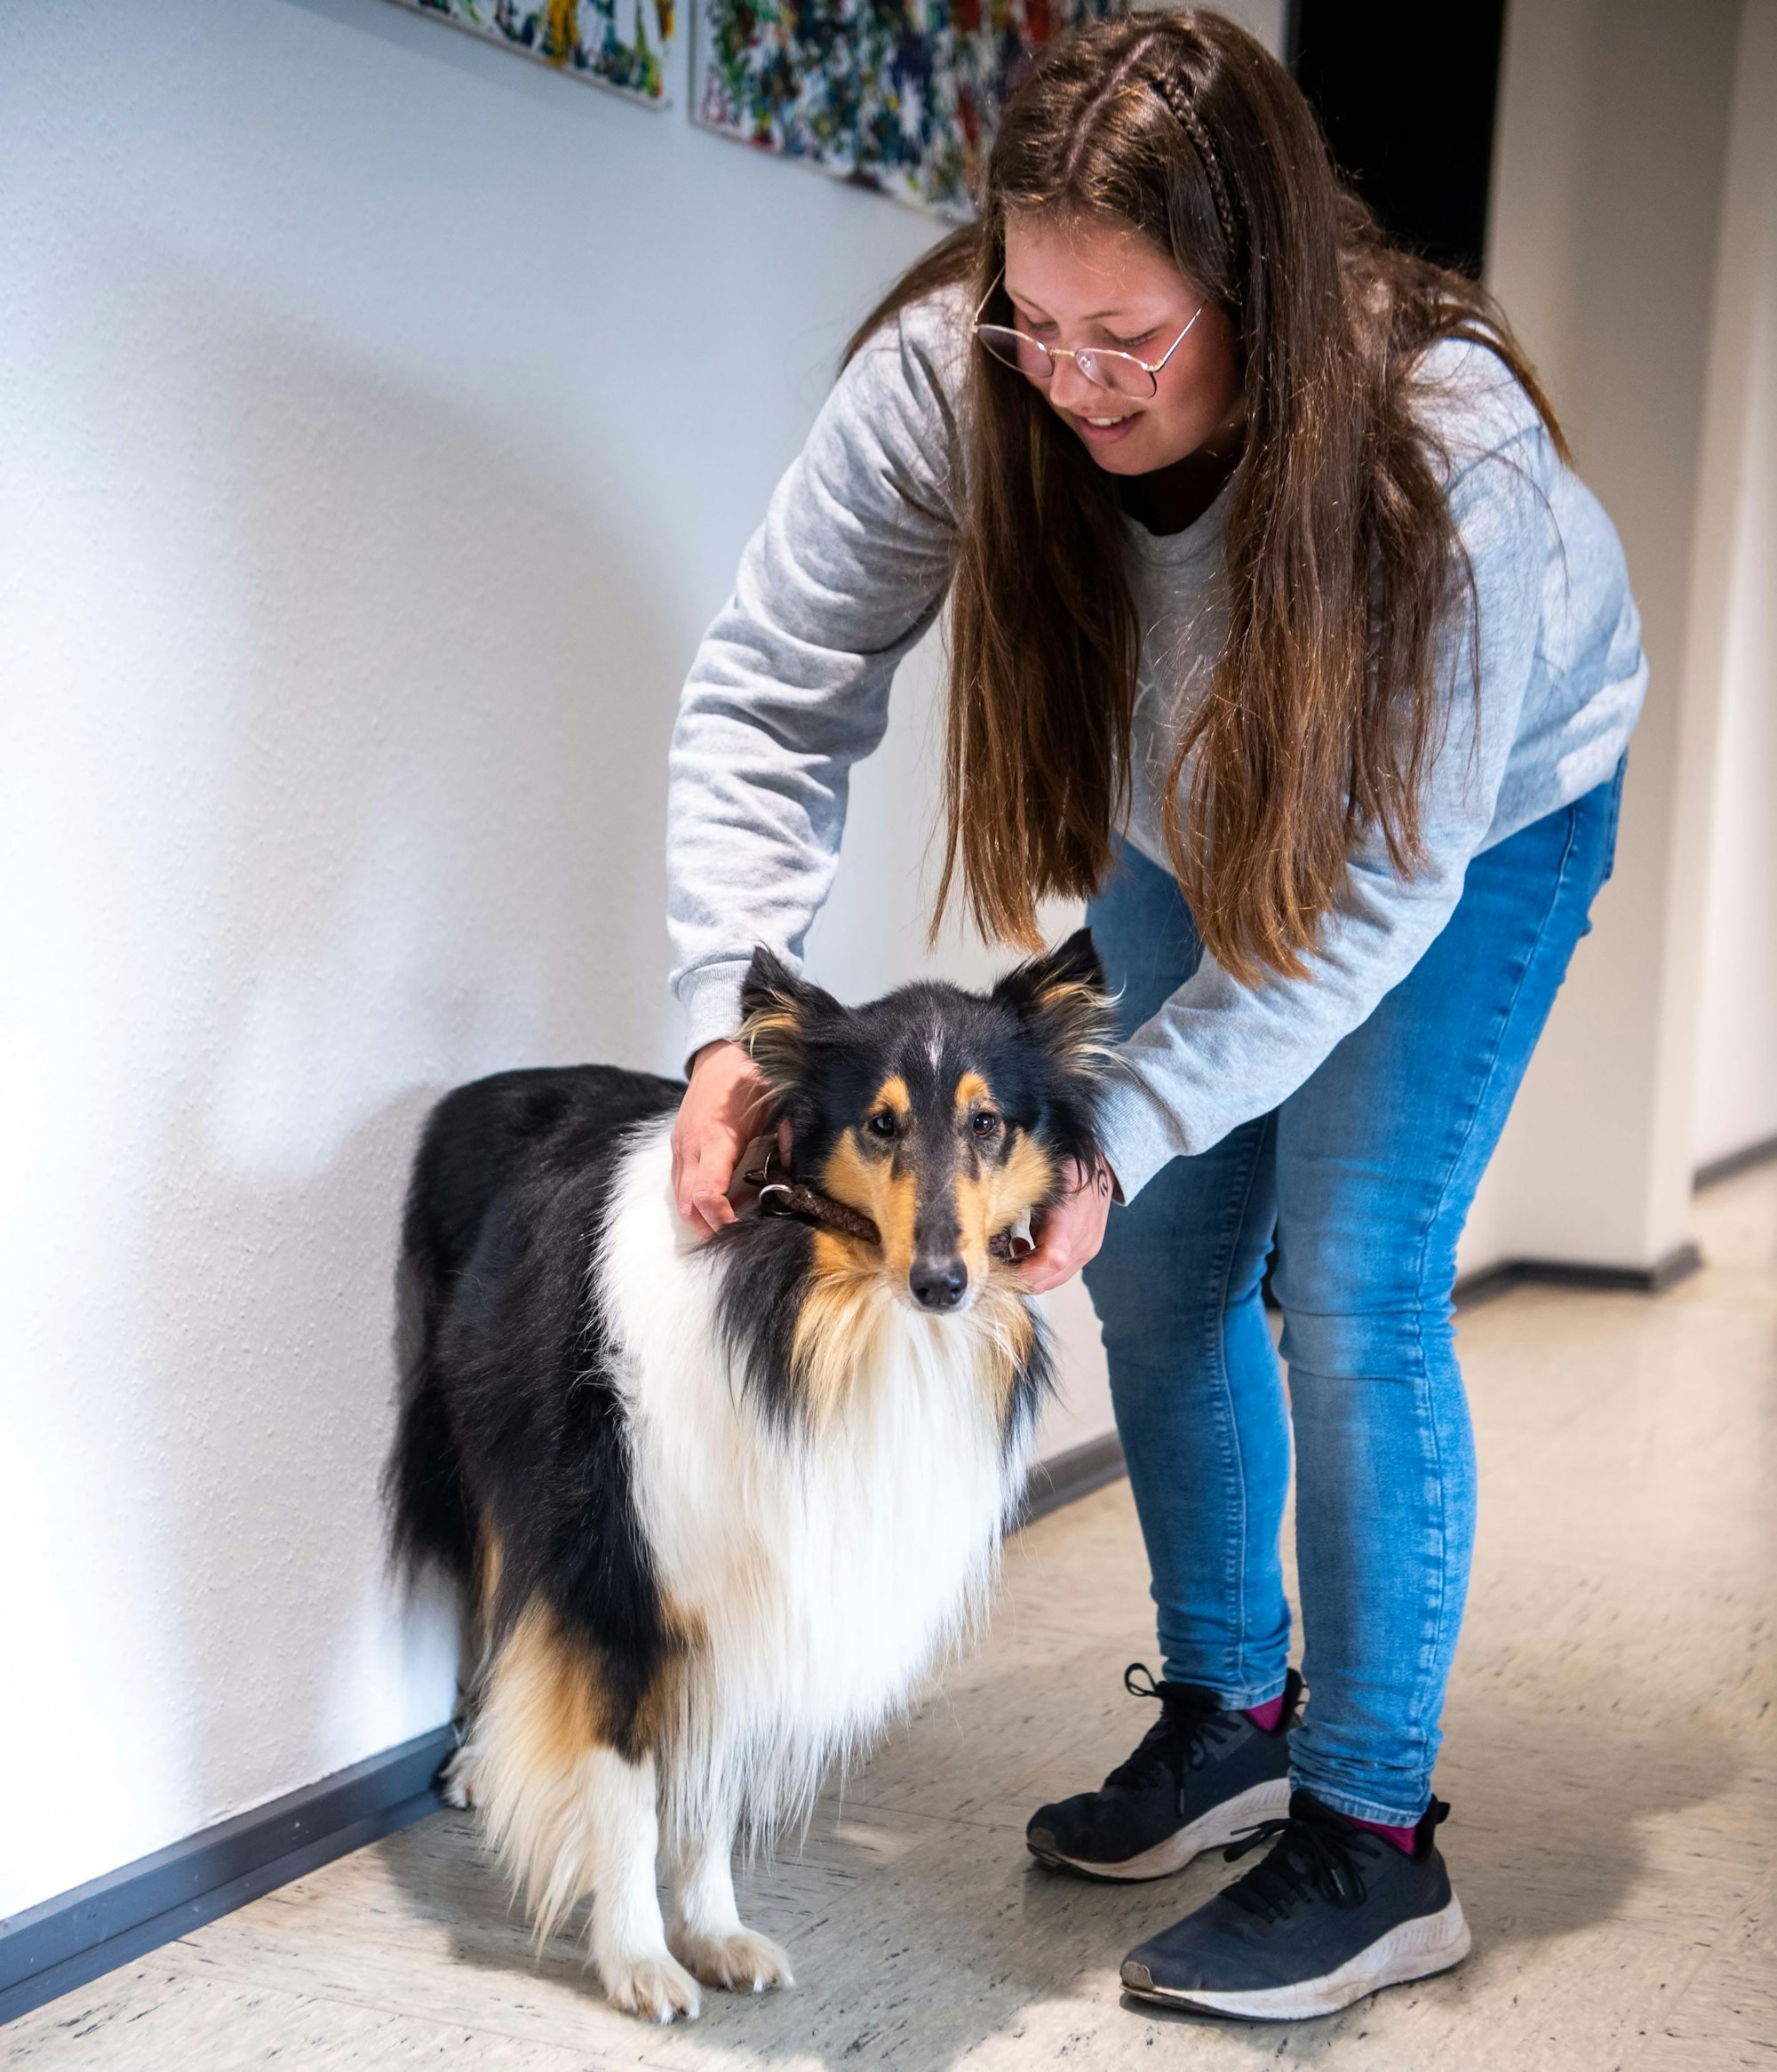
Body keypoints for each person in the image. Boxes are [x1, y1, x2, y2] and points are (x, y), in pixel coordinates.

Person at [661, 6, 1642, 2022]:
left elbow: (1369, 892)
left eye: (1134, 339)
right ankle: (1230, 1707)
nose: (1077, 382)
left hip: (1463, 831)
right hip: (1179, 809)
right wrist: (718, 1027)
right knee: (1152, 1267)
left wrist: (1127, 1116)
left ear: (1258, 297)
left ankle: (1371, 1836)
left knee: (1347, 1276)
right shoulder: (958, 375)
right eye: (1042, 323)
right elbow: (771, 688)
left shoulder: (1443, 474)